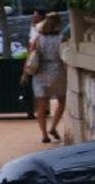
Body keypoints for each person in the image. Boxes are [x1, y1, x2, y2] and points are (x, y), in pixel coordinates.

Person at [28, 12, 66, 143]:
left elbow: (30, 55)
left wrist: (25, 73)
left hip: (41, 71)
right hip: (57, 70)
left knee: (41, 105)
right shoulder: (61, 39)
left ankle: (44, 134)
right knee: (61, 100)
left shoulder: (38, 39)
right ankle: (53, 126)